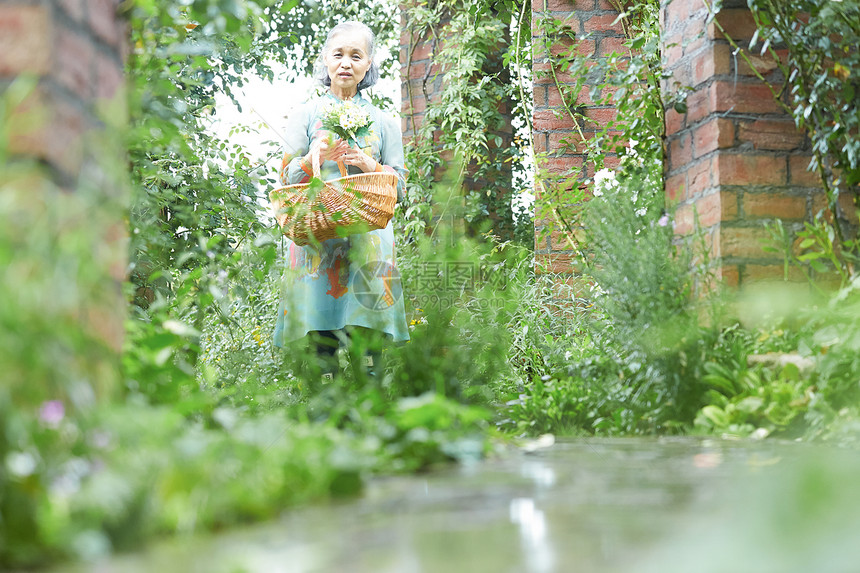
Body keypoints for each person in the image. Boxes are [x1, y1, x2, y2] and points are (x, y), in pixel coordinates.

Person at [273, 20, 409, 382]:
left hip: (369, 241)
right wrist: (309, 158)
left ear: (369, 65)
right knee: (321, 341)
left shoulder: (383, 122)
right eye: (338, 55)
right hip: (318, 240)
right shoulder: (305, 115)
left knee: (369, 338)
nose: (346, 63)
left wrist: (370, 165)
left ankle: (371, 413)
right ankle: (325, 418)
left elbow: (402, 185)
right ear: (326, 62)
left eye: (356, 55)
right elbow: (285, 179)